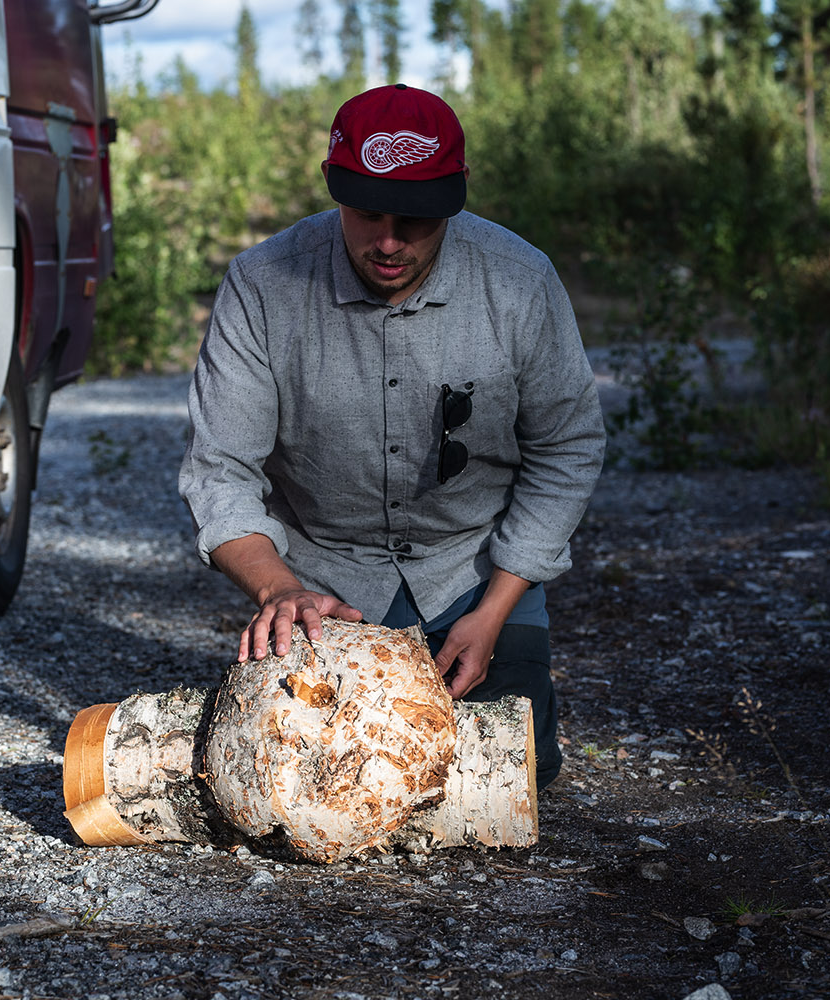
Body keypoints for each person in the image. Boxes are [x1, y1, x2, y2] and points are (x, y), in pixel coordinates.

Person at [178, 84, 604, 789]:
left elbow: (568, 448)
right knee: (307, 777)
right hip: (323, 586)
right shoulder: (260, 284)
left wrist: (494, 609)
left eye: (416, 221)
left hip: (473, 571)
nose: (388, 242)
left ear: (457, 197)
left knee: (506, 775)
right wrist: (280, 591)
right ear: (331, 186)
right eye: (367, 213)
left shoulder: (520, 280)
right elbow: (221, 470)